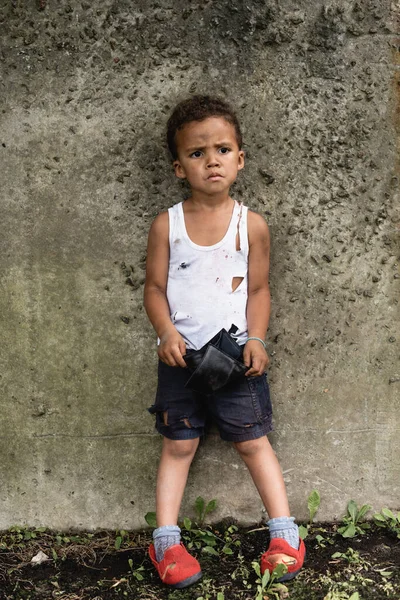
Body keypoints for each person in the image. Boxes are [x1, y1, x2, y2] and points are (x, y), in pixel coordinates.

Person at [144, 95, 305, 589]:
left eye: (222, 149)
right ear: (178, 167)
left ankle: (285, 534)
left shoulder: (251, 226)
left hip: (236, 358)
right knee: (178, 446)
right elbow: (153, 288)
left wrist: (257, 337)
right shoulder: (166, 225)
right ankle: (166, 542)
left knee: (254, 442)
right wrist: (166, 333)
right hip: (180, 358)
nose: (211, 160)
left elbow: (258, 289)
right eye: (197, 153)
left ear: (240, 158)